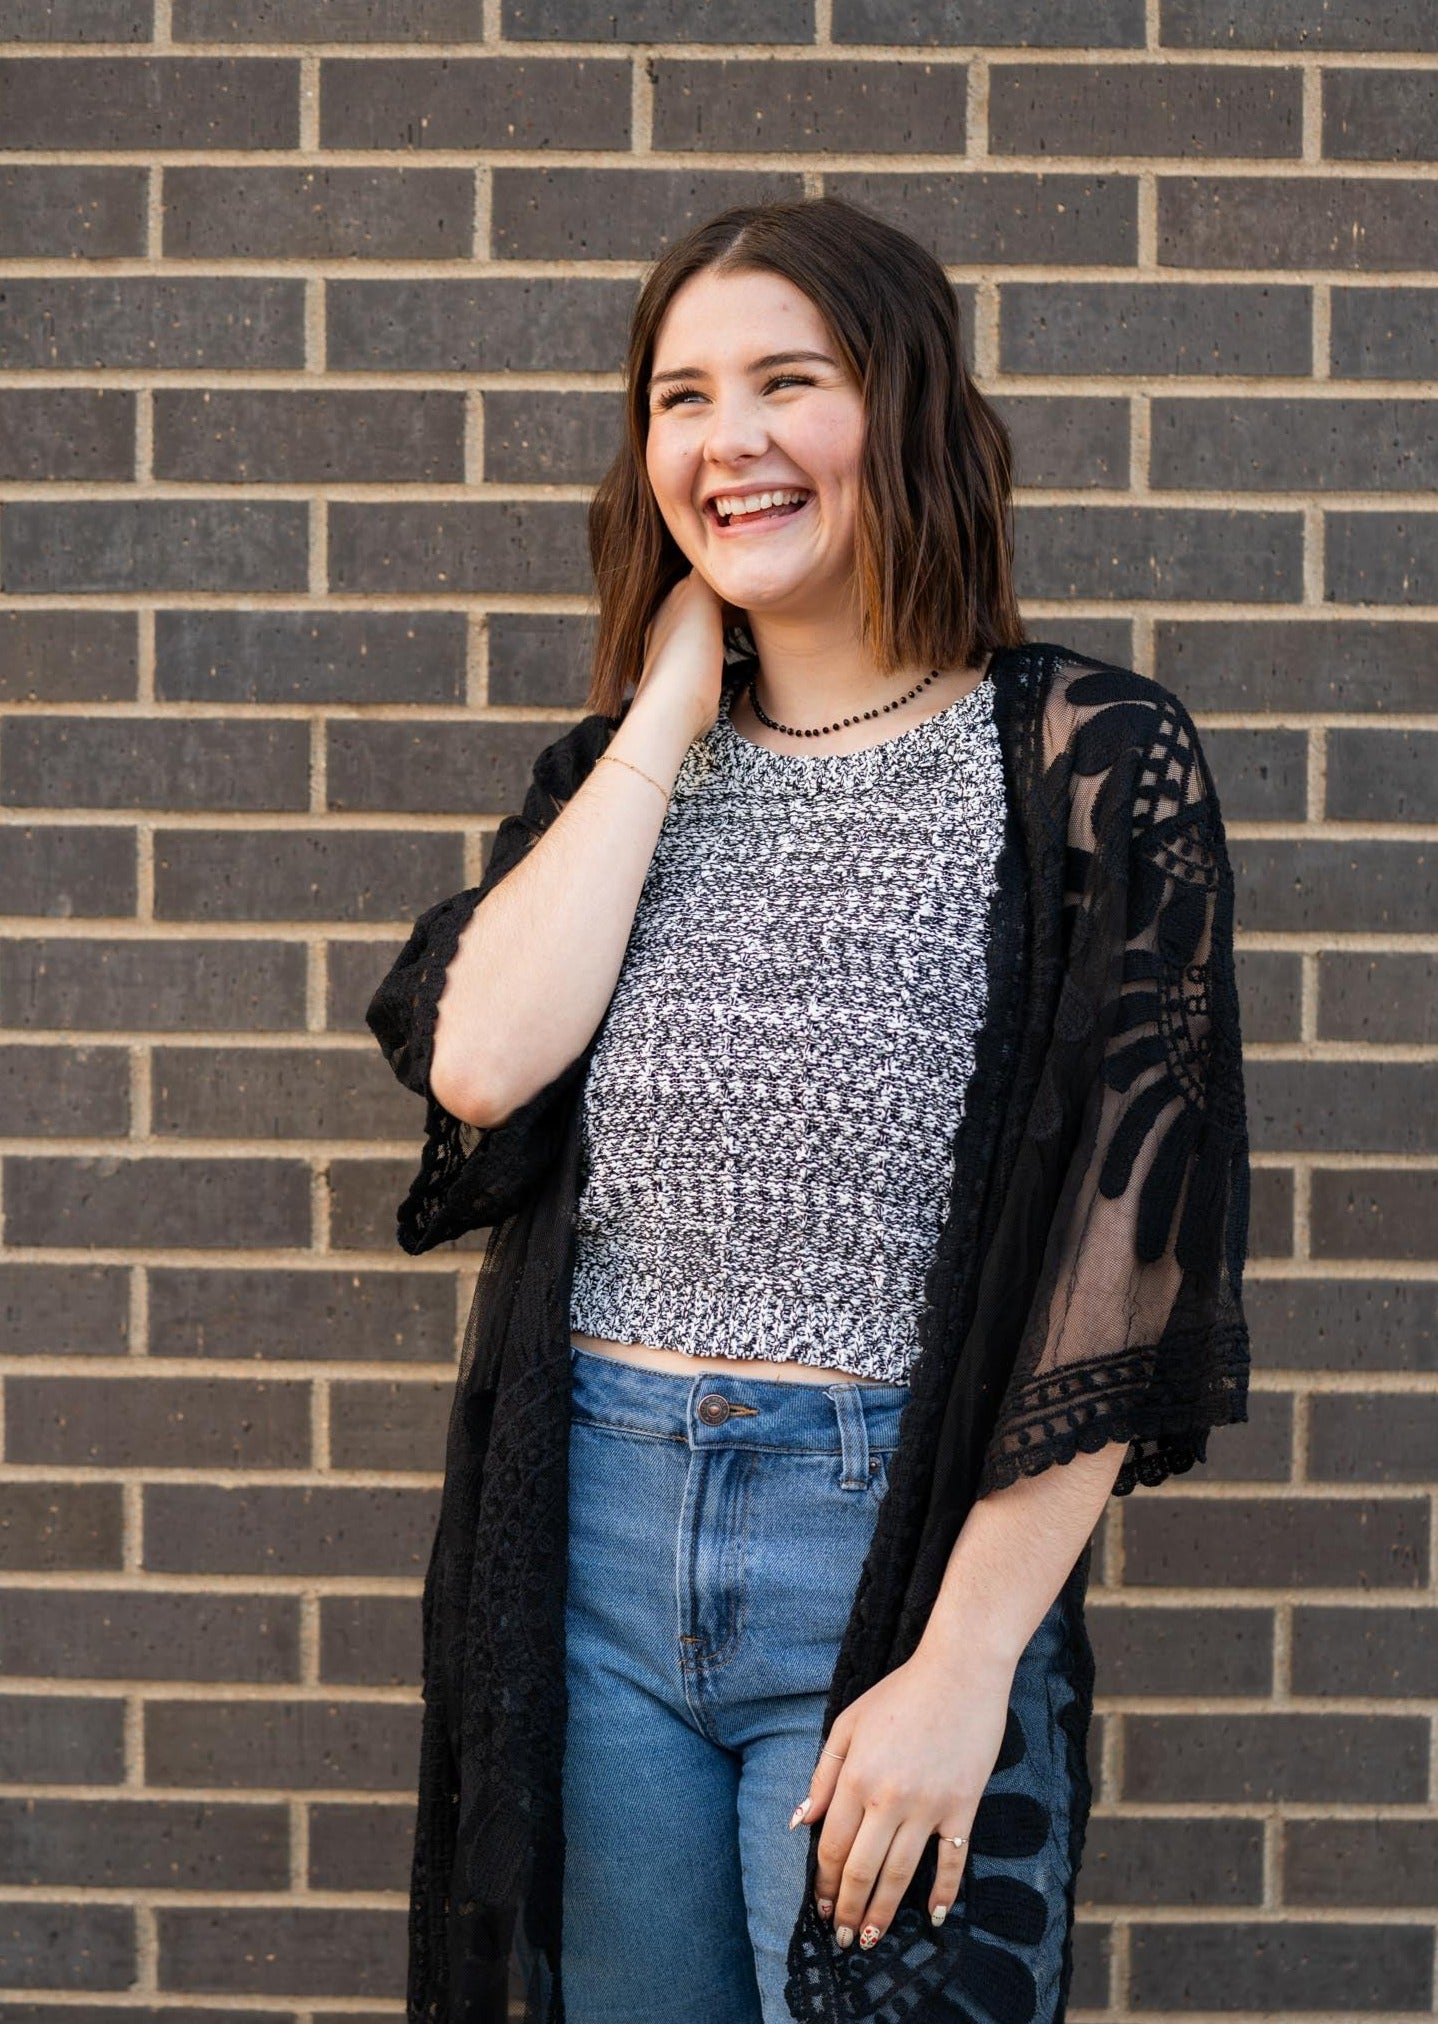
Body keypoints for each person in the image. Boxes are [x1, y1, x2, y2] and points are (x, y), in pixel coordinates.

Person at [367, 195, 1252, 2024]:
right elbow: (478, 1065)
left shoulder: (1087, 760)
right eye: (680, 397)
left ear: (907, 409)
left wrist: (966, 1663)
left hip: (888, 1546)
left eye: (790, 380)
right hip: (596, 1542)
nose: (728, 438)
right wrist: (668, 700)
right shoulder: (620, 783)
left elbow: (1125, 1243)